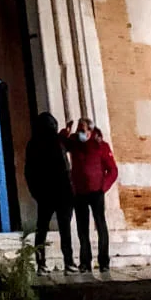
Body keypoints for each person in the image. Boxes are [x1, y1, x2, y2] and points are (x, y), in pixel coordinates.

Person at [62, 116, 118, 273]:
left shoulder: (101, 146)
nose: (80, 132)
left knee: (100, 225)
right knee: (82, 229)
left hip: (96, 192)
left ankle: (104, 261)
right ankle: (85, 262)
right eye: (79, 129)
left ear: (90, 131)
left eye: (83, 130)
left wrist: (103, 187)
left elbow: (112, 170)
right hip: (79, 193)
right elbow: (60, 145)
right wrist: (65, 133)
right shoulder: (74, 143)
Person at [24, 112, 74, 272]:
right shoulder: (55, 142)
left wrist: (36, 192)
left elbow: (29, 171)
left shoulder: (34, 144)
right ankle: (68, 262)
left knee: (44, 229)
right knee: (61, 228)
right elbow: (65, 167)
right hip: (58, 192)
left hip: (47, 193)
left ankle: (42, 263)